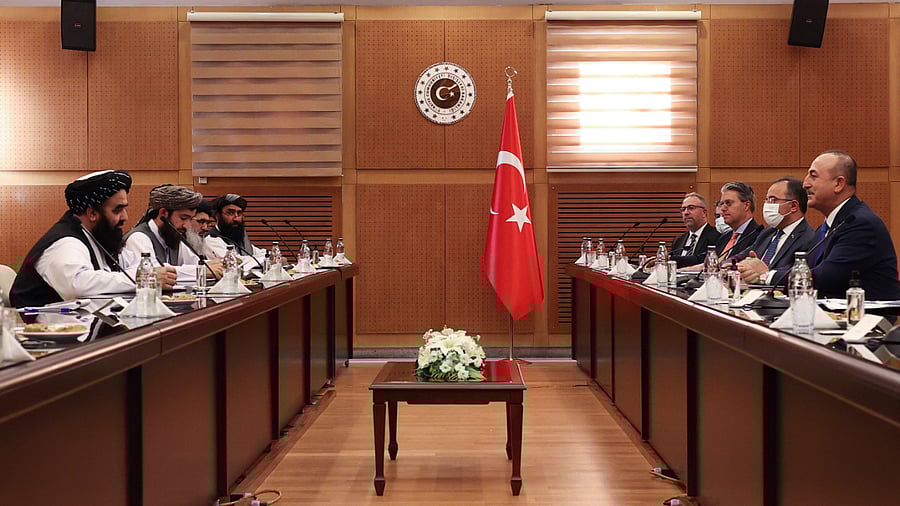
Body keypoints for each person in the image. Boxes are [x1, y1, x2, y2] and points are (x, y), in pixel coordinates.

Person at [9, 170, 176, 307]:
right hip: (45, 340)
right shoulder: (65, 243)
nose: (125, 217)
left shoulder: (99, 237)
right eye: (117, 210)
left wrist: (164, 273)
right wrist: (144, 278)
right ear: (92, 213)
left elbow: (137, 264)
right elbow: (79, 285)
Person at [801, 150, 900, 299]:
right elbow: (807, 268)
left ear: (839, 184)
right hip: (833, 318)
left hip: (866, 319)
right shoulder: (826, 228)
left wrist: (767, 275)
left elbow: (826, 277)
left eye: (813, 176)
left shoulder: (860, 224)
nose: (805, 184)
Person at [124, 184, 223, 280]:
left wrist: (216, 265)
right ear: (163, 213)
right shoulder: (139, 238)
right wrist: (201, 270)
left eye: (190, 219)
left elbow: (195, 263)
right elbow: (153, 273)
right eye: (183, 218)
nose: (187, 226)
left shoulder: (172, 236)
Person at [737, 177, 816, 283]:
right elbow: (745, 254)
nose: (767, 204)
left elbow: (796, 274)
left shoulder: (808, 238)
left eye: (773, 199)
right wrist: (731, 264)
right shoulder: (767, 232)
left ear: (793, 206)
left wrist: (763, 274)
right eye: (767, 199)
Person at [713, 181, 764, 261]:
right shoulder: (724, 238)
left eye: (728, 203)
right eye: (722, 204)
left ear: (746, 205)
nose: (722, 209)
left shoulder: (759, 236)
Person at [206, 194, 266, 260]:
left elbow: (257, 252)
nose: (236, 219)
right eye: (230, 213)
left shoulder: (237, 237)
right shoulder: (211, 239)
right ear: (217, 216)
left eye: (239, 213)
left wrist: (270, 254)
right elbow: (234, 261)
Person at [671, 192, 722, 267]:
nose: (686, 213)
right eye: (683, 209)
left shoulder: (717, 237)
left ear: (704, 212)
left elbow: (705, 261)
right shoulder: (678, 240)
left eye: (691, 208)